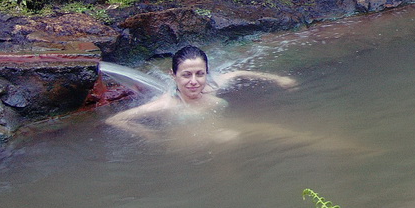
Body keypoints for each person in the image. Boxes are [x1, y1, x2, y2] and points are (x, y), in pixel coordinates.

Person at [107, 45, 297, 131]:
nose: (194, 81)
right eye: (186, 75)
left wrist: (278, 78)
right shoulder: (165, 104)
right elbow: (115, 120)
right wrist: (148, 135)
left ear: (207, 72)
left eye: (200, 73)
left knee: (269, 128)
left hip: (223, 130)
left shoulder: (209, 87)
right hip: (193, 142)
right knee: (228, 138)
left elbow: (238, 73)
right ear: (173, 76)